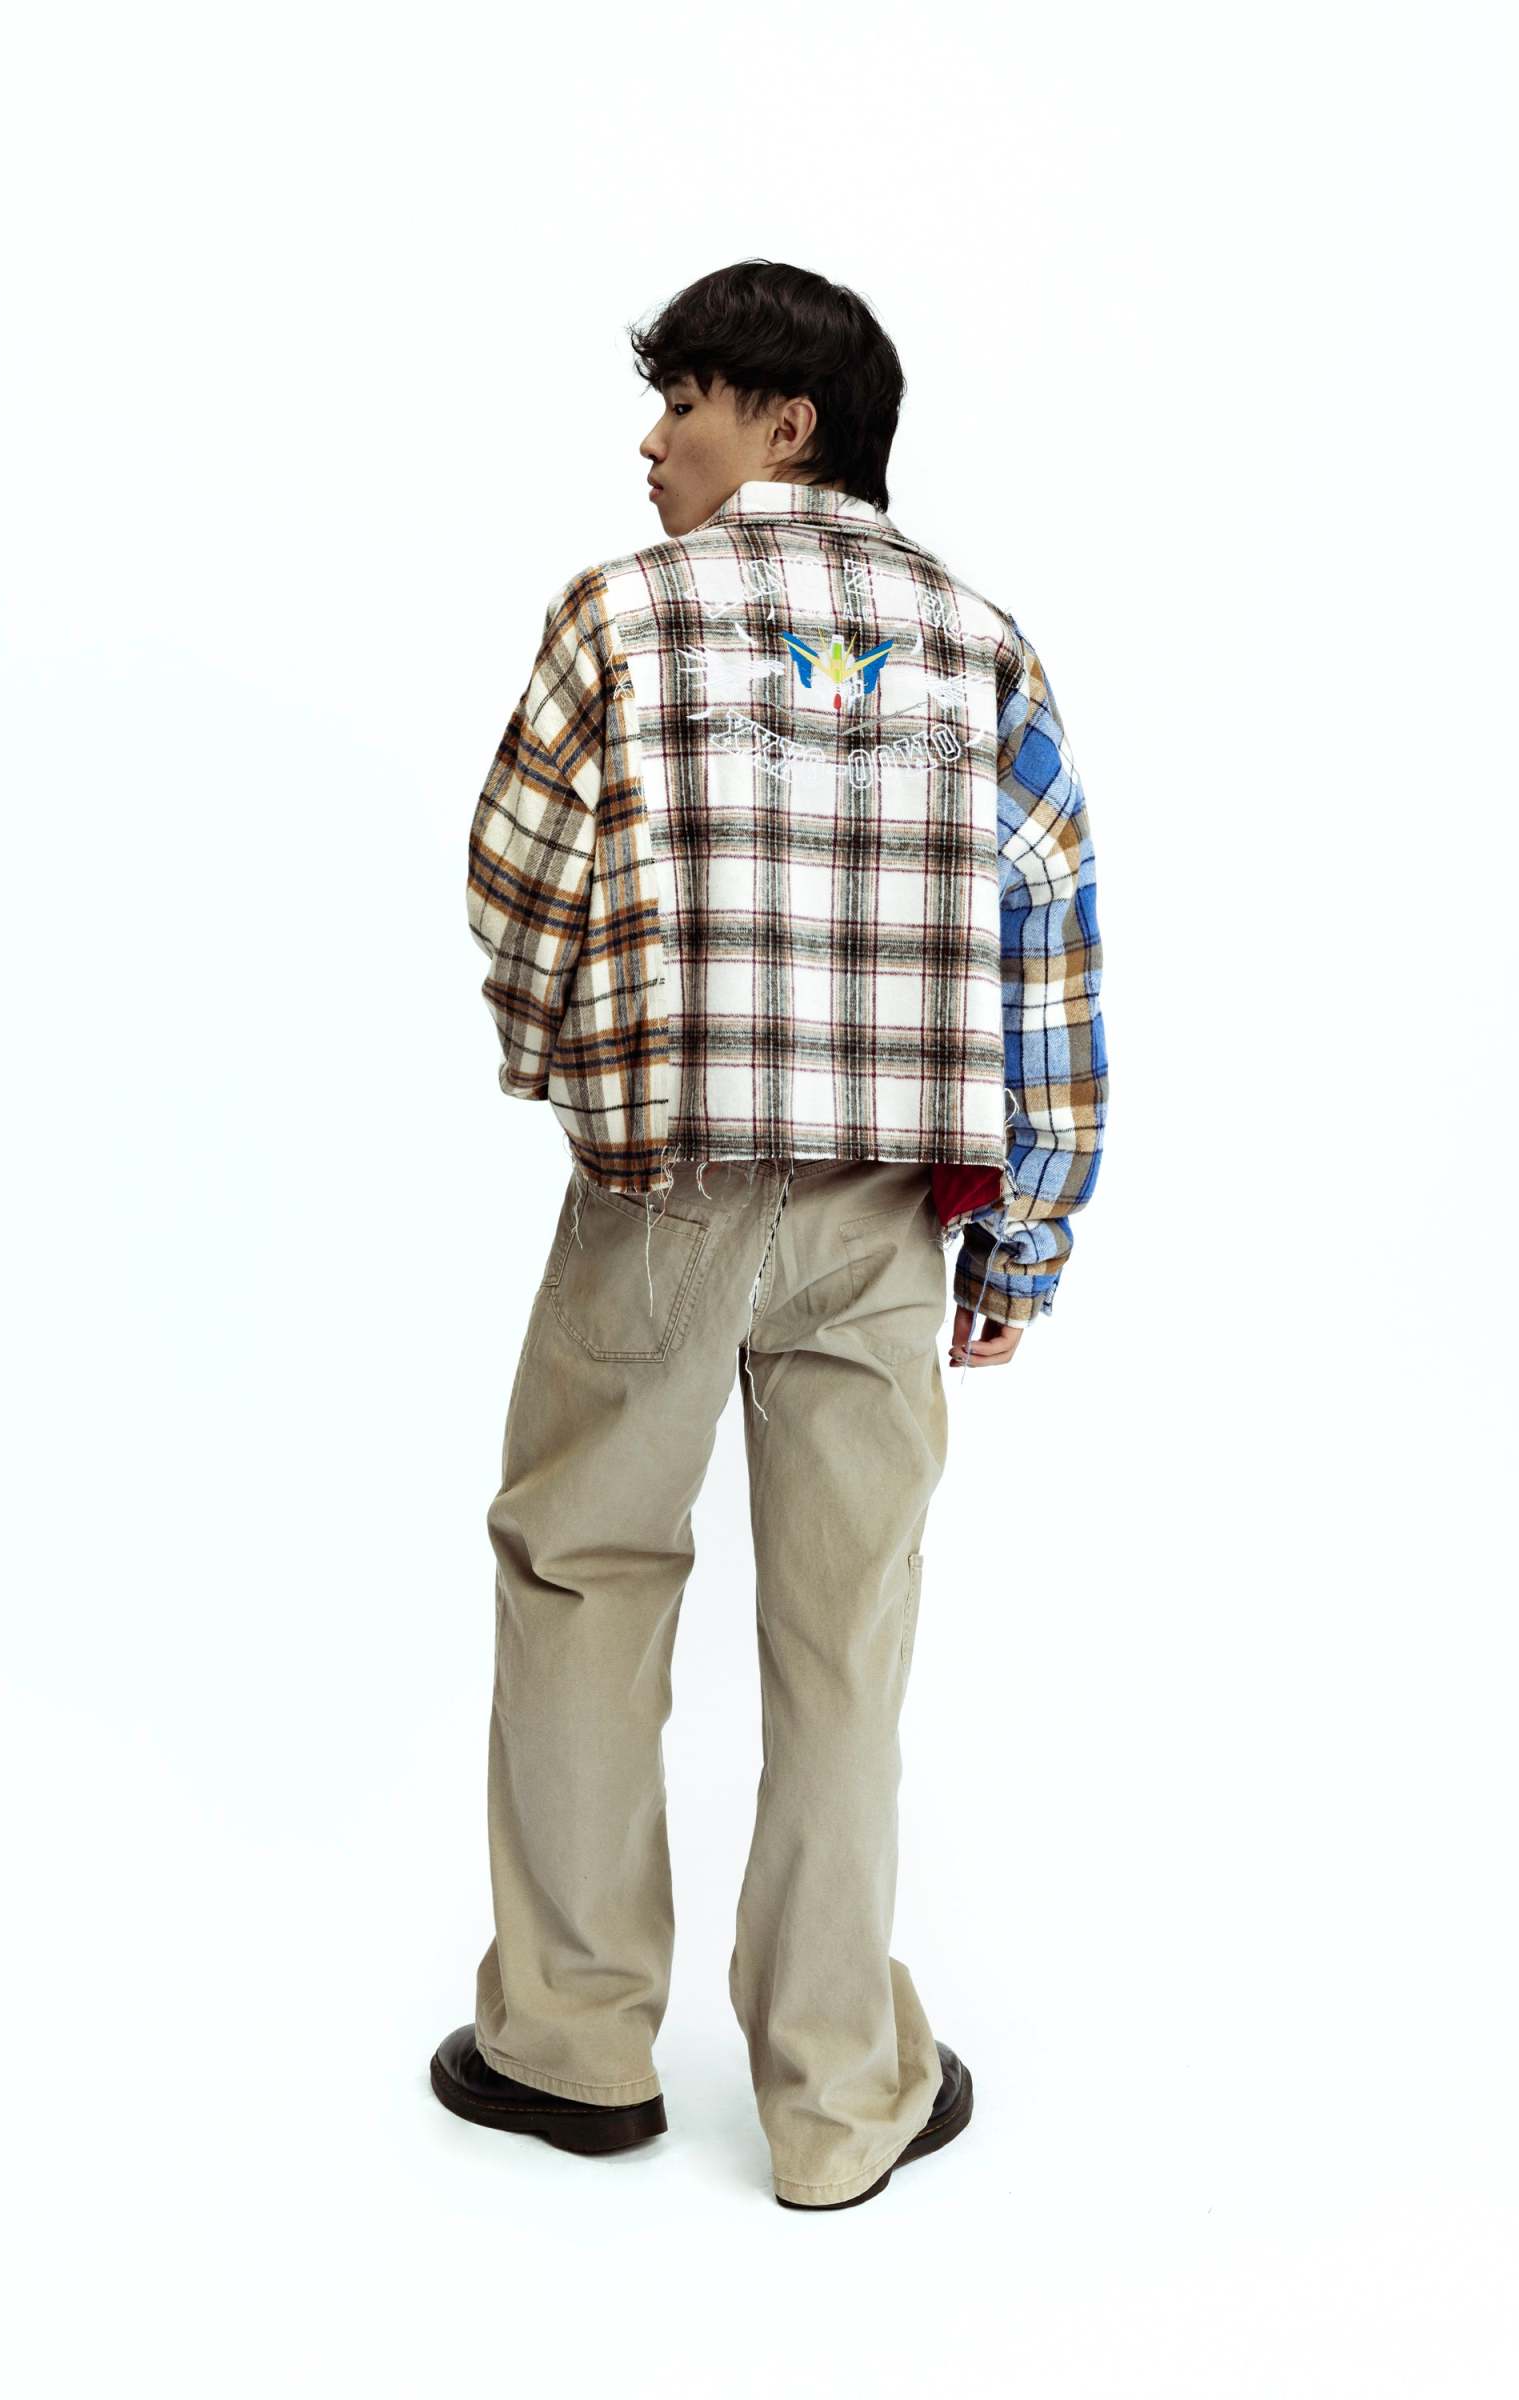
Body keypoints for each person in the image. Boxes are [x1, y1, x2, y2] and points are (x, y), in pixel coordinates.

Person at [429, 259, 1108, 2209]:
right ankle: (832, 2097)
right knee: (845, 1635)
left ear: (789, 422)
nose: (653, 442)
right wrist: (1025, 1241)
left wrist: (586, 1069)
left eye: (687, 401)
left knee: (583, 1574)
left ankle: (569, 2047)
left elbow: (519, 888)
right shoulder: (982, 649)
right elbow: (1046, 951)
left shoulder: (621, 617)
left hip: (662, 1192)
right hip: (885, 1218)